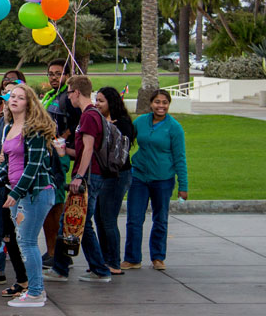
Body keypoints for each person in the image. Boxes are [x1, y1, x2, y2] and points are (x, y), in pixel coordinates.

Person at [0, 83, 57, 307]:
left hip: (35, 193)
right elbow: (9, 163)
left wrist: (17, 192)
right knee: (24, 243)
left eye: (20, 97)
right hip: (18, 193)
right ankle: (33, 289)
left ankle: (35, 292)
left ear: (29, 103)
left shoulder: (34, 130)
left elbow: (33, 166)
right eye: (12, 96)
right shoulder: (10, 126)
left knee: (28, 242)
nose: (14, 100)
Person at [44, 75, 112, 283]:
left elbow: (90, 148)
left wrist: (79, 176)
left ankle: (72, 269)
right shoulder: (91, 115)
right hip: (91, 175)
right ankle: (90, 269)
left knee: (74, 222)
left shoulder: (88, 116)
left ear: (77, 92)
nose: (68, 97)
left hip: (89, 177)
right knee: (79, 223)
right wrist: (65, 151)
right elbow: (83, 150)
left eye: (70, 92)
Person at [122, 89, 187, 271]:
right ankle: (132, 258)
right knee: (134, 219)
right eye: (157, 102)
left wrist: (183, 186)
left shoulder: (174, 128)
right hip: (139, 176)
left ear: (169, 104)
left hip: (163, 179)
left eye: (164, 102)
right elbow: (125, 140)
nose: (161, 106)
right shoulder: (141, 122)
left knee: (160, 219)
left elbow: (180, 158)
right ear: (151, 104)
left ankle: (158, 257)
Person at [40, 60, 80, 268]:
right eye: (51, 74)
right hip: (47, 154)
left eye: (58, 73)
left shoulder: (68, 97)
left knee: (55, 203)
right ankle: (51, 250)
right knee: (47, 206)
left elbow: (77, 123)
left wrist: (61, 138)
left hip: (58, 156)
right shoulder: (51, 96)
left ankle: (58, 253)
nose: (54, 77)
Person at [93, 87, 135, 275]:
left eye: (101, 101)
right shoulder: (101, 121)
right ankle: (103, 259)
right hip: (102, 175)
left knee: (108, 219)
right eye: (96, 100)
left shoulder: (123, 123)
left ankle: (113, 262)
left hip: (117, 175)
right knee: (99, 218)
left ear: (111, 102)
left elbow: (119, 150)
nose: (97, 104)